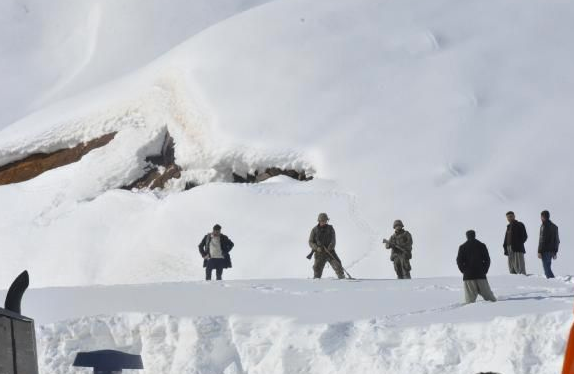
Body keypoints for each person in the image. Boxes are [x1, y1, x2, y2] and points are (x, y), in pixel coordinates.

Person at [456, 230, 497, 303]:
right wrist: (485, 270)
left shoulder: (462, 247)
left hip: (468, 276)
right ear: (474, 235)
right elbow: (487, 259)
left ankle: (470, 313)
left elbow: (459, 261)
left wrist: (464, 271)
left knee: (469, 301)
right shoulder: (481, 245)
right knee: (490, 299)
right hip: (481, 274)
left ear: (467, 236)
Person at [308, 213, 345, 279]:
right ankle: (316, 282)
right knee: (317, 269)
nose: (324, 222)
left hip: (330, 252)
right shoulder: (314, 230)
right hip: (319, 253)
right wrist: (317, 248)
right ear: (319, 221)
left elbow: (333, 240)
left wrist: (330, 247)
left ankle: (342, 279)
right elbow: (310, 242)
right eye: (322, 221)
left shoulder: (331, 228)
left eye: (325, 221)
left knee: (338, 265)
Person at [538, 210, 560, 278]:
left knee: (546, 269)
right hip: (551, 251)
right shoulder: (554, 226)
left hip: (545, 251)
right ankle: (552, 282)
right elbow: (557, 240)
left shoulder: (544, 226)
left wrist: (539, 251)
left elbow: (542, 240)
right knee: (548, 268)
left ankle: (553, 282)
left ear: (542, 217)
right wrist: (555, 251)